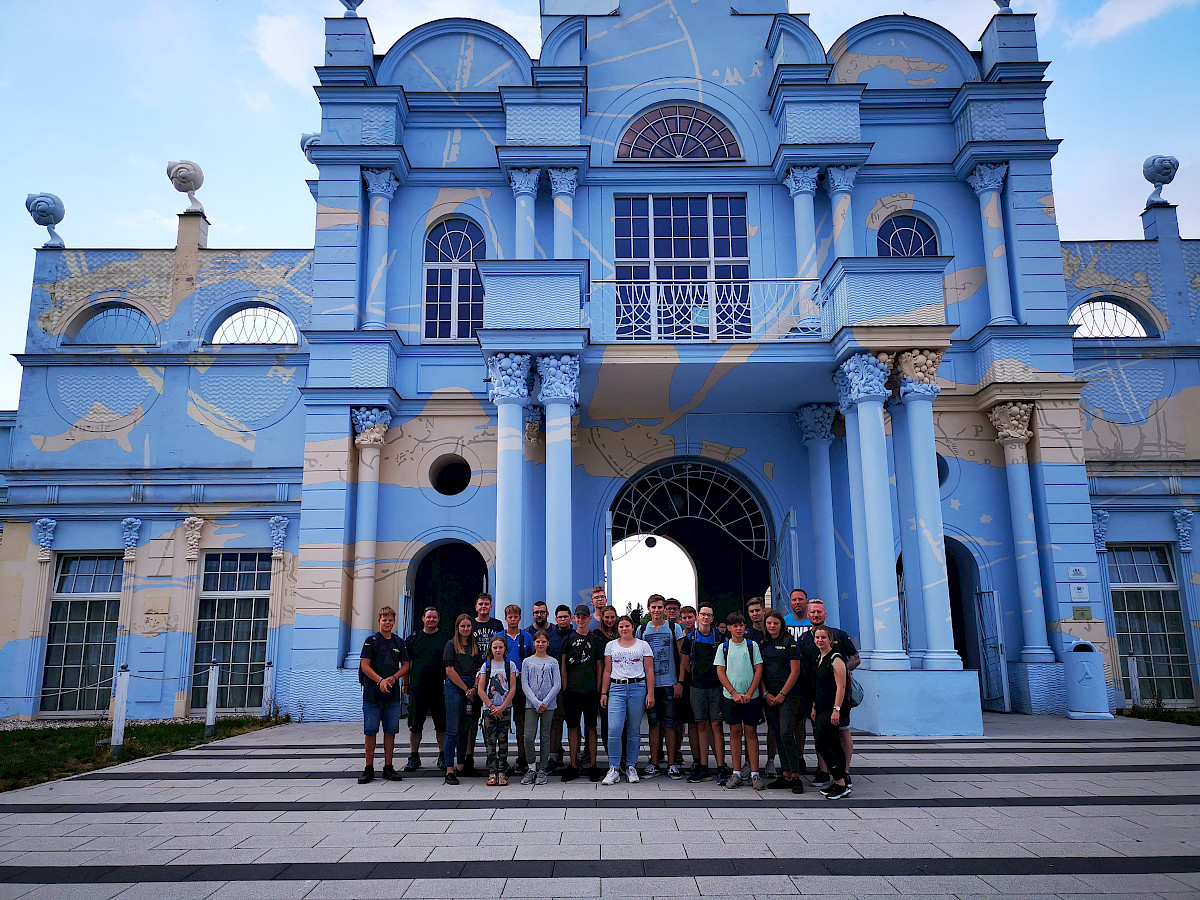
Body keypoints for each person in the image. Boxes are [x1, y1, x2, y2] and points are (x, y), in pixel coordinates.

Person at [798, 599, 859, 787]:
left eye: (819, 612)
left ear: (825, 614)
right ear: (808, 615)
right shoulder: (804, 639)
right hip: (816, 694)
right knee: (820, 733)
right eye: (812, 612)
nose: (815, 615)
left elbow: (855, 658)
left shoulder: (840, 635)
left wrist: (840, 670)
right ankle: (823, 770)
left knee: (842, 731)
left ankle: (844, 772)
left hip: (839, 695)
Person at [600, 615, 655, 785]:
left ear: (633, 627)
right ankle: (614, 768)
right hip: (616, 689)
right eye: (621, 627)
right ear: (617, 629)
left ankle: (631, 766)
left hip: (637, 688)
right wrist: (604, 692)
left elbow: (649, 670)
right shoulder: (611, 646)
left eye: (627, 626)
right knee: (614, 728)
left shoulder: (643, 645)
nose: (624, 629)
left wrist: (650, 693)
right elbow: (607, 671)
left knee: (633, 730)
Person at [358, 606, 410, 784]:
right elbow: (365, 666)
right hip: (372, 694)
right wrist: (380, 681)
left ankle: (388, 767)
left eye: (390, 620)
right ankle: (369, 768)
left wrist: (394, 678)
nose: (387, 623)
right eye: (384, 620)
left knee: (390, 731)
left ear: (394, 622)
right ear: (379, 621)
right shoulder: (370, 641)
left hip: (392, 695)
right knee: (370, 731)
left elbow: (405, 665)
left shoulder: (398, 642)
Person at [637, 594, 685, 779]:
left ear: (664, 609)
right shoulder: (642, 630)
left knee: (670, 724)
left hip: (669, 683)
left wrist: (680, 681)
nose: (657, 610)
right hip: (650, 685)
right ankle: (654, 763)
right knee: (653, 724)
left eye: (660, 607)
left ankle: (672, 764)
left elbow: (682, 657)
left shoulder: (674, 628)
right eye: (653, 607)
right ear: (649, 609)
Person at [715, 611, 764, 790]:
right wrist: (734, 692)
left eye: (741, 625)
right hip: (731, 697)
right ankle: (736, 772)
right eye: (735, 626)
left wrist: (750, 692)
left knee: (751, 733)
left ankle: (754, 773)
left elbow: (758, 670)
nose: (739, 628)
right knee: (735, 733)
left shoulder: (752, 646)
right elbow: (721, 671)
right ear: (728, 628)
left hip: (752, 697)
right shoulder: (724, 647)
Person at [560, 603, 605, 782]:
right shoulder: (568, 639)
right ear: (574, 619)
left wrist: (600, 688)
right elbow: (563, 664)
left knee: (591, 727)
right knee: (573, 727)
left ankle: (593, 764)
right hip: (572, 690)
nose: (580, 620)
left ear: (588, 619)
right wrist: (565, 687)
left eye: (583, 617)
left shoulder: (596, 640)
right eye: (577, 617)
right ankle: (573, 764)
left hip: (591, 690)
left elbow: (600, 666)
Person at [681, 603, 725, 783]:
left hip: (716, 687)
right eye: (703, 614)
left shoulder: (719, 638)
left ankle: (722, 767)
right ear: (698, 617)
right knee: (701, 725)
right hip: (697, 687)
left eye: (709, 615)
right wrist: (695, 677)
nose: (706, 617)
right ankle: (704, 767)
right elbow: (685, 663)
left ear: (713, 618)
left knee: (717, 725)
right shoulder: (690, 638)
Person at [760, 609, 803, 793]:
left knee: (787, 732)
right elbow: (759, 671)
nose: (772, 626)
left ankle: (796, 776)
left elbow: (795, 671)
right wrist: (765, 693)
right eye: (769, 623)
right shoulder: (763, 644)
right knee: (777, 733)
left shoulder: (790, 643)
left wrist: (782, 694)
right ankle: (785, 774)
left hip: (788, 696)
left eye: (775, 623)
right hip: (769, 696)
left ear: (781, 625)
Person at [403, 606, 448, 772]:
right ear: (423, 618)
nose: (431, 620)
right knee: (415, 725)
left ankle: (443, 756)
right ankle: (413, 756)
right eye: (428, 617)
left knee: (441, 725)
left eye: (434, 617)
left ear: (438, 619)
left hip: (440, 689)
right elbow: (406, 664)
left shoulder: (445, 638)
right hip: (417, 689)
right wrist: (405, 684)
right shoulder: (413, 639)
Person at [463, 592, 503, 775]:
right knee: (472, 719)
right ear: (476, 607)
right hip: (474, 676)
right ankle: (469, 755)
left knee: (493, 718)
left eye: (487, 604)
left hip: (493, 676)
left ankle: (492, 755)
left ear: (491, 606)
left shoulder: (497, 625)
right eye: (481, 604)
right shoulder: (471, 624)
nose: (484, 607)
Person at [810, 625, 851, 799]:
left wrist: (836, 710)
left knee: (823, 744)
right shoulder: (820, 657)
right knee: (832, 743)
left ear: (830, 639)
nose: (820, 640)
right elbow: (819, 685)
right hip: (820, 707)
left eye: (823, 638)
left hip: (831, 709)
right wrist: (814, 706)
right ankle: (839, 782)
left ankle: (840, 782)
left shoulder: (836, 658)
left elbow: (841, 686)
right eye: (817, 638)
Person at [442, 613, 481, 784]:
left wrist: (474, 688)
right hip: (455, 687)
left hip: (471, 686)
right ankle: (449, 769)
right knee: (452, 729)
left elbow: (480, 668)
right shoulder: (451, 645)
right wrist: (466, 689)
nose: (466, 629)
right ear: (457, 628)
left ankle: (461, 765)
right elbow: (449, 670)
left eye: (468, 626)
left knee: (466, 727)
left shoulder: (474, 645)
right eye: (463, 626)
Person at [520, 630, 561, 785]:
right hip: (532, 704)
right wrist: (537, 702)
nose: (540, 644)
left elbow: (557, 684)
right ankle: (532, 768)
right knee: (528, 736)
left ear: (547, 643)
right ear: (534, 643)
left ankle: (543, 769)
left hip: (548, 705)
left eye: (543, 642)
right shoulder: (527, 662)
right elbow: (525, 684)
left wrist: (545, 702)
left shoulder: (553, 662)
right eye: (538, 642)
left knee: (545, 737)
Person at [539, 604, 576, 772]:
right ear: (555, 619)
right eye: (560, 617)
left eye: (565, 616)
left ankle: (576, 757)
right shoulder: (550, 637)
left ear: (571, 618)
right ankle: (554, 756)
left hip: (575, 687)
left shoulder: (577, 637)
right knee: (555, 722)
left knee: (574, 723)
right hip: (555, 688)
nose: (562, 619)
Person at [477, 635, 517, 786]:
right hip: (489, 709)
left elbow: (512, 688)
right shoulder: (486, 666)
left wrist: (503, 706)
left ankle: (502, 771)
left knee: (503, 740)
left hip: (505, 708)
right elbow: (481, 689)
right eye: (495, 647)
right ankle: (492, 771)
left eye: (500, 647)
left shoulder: (510, 665)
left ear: (505, 649)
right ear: (491, 649)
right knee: (490, 741)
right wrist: (492, 706)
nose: (498, 650)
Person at [781, 587, 813, 772]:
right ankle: (789, 759)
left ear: (806, 601)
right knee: (789, 723)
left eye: (801, 599)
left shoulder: (814, 621)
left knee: (803, 723)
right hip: (790, 678)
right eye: (794, 599)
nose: (797, 602)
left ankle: (801, 756)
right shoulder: (784, 622)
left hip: (809, 678)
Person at [502, 604, 535, 776]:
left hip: (522, 686)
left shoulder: (527, 637)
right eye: (510, 617)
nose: (513, 619)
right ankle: (501, 759)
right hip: (502, 686)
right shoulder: (499, 636)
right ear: (505, 618)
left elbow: (531, 658)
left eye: (516, 617)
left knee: (520, 722)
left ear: (520, 618)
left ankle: (522, 757)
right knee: (502, 722)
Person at [744, 595, 770, 776]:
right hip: (752, 686)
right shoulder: (745, 635)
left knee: (774, 727)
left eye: (757, 610)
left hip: (772, 685)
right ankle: (748, 762)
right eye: (751, 611)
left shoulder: (772, 631)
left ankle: (771, 761)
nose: (755, 614)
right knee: (749, 727)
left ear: (764, 611)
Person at [676, 604, 699, 770]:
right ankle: (690, 756)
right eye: (684, 618)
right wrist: (681, 682)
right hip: (685, 683)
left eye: (690, 617)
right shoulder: (679, 637)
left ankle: (700, 758)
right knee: (687, 721)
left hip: (700, 683)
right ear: (680, 620)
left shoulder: (701, 635)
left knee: (700, 723)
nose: (687, 620)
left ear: (695, 617)